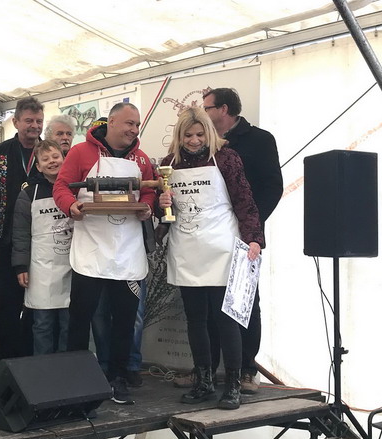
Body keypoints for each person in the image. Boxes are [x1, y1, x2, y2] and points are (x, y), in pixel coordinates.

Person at [157, 106, 263, 409]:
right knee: (195, 319)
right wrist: (161, 204)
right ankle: (203, 380)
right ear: (179, 136)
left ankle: (233, 384)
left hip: (221, 248)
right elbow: (164, 214)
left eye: (200, 134)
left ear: (209, 133)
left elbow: (244, 201)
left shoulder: (226, 159)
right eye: (188, 135)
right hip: (186, 248)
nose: (194, 140)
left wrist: (254, 238)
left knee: (225, 318)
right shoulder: (168, 165)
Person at [53, 102, 155, 405]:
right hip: (91, 249)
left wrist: (148, 207)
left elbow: (149, 191)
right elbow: (62, 187)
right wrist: (71, 205)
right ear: (111, 122)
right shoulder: (81, 153)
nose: (134, 130)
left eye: (137, 125)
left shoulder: (141, 159)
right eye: (129, 123)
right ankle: (75, 378)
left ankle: (118, 377)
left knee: (124, 319)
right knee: (80, 317)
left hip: (127, 250)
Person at [202, 88, 283, 394]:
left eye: (207, 108)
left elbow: (273, 187)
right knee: (210, 304)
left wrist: (249, 224)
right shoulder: (204, 142)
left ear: (223, 109)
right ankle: (208, 370)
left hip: (244, 236)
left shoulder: (260, 139)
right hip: (209, 237)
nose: (204, 113)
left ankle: (247, 370)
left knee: (245, 301)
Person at [0, 97, 44, 361]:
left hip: (42, 243)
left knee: (37, 306)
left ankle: (32, 362)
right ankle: (6, 365)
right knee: (8, 305)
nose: (34, 126)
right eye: (29, 120)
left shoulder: (49, 152)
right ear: (16, 121)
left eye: (39, 121)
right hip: (5, 241)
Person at [11, 140, 73, 355]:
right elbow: (20, 233)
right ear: (38, 166)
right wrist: (21, 266)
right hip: (41, 269)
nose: (52, 162)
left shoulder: (76, 189)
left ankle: (67, 368)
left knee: (69, 323)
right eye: (45, 159)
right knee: (42, 324)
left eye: (55, 156)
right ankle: (43, 368)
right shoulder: (28, 194)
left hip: (73, 266)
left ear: (64, 158)